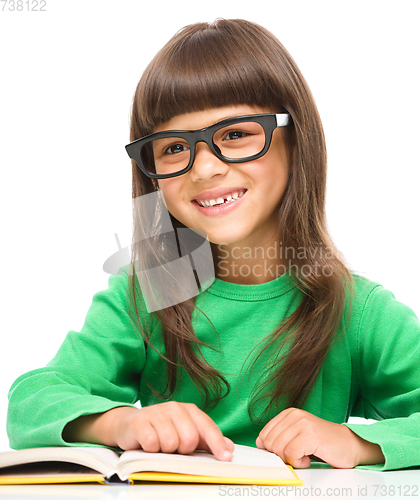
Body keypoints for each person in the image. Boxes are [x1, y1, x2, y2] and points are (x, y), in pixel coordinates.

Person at [7, 19, 420, 471]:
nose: (203, 169)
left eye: (236, 134)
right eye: (173, 148)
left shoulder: (357, 311)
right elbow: (31, 400)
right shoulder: (145, 295)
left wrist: (356, 442)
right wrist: (119, 423)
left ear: (297, 141)